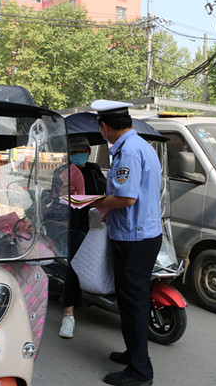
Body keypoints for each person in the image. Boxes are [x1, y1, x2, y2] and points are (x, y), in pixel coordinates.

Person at [89, 100, 162, 386]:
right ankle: (134, 354)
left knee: (132, 304)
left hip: (134, 239)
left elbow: (126, 198)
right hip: (141, 233)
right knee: (133, 300)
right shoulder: (141, 145)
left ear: (105, 126)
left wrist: (94, 202)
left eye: (101, 128)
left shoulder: (127, 152)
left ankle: (140, 372)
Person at [58, 135, 107, 339]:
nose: (78, 155)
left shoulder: (95, 170)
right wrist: (61, 193)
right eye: (73, 152)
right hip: (75, 225)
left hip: (96, 224)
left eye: (81, 151)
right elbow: (53, 199)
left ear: (88, 151)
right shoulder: (62, 172)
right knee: (75, 266)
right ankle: (68, 315)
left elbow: (106, 191)